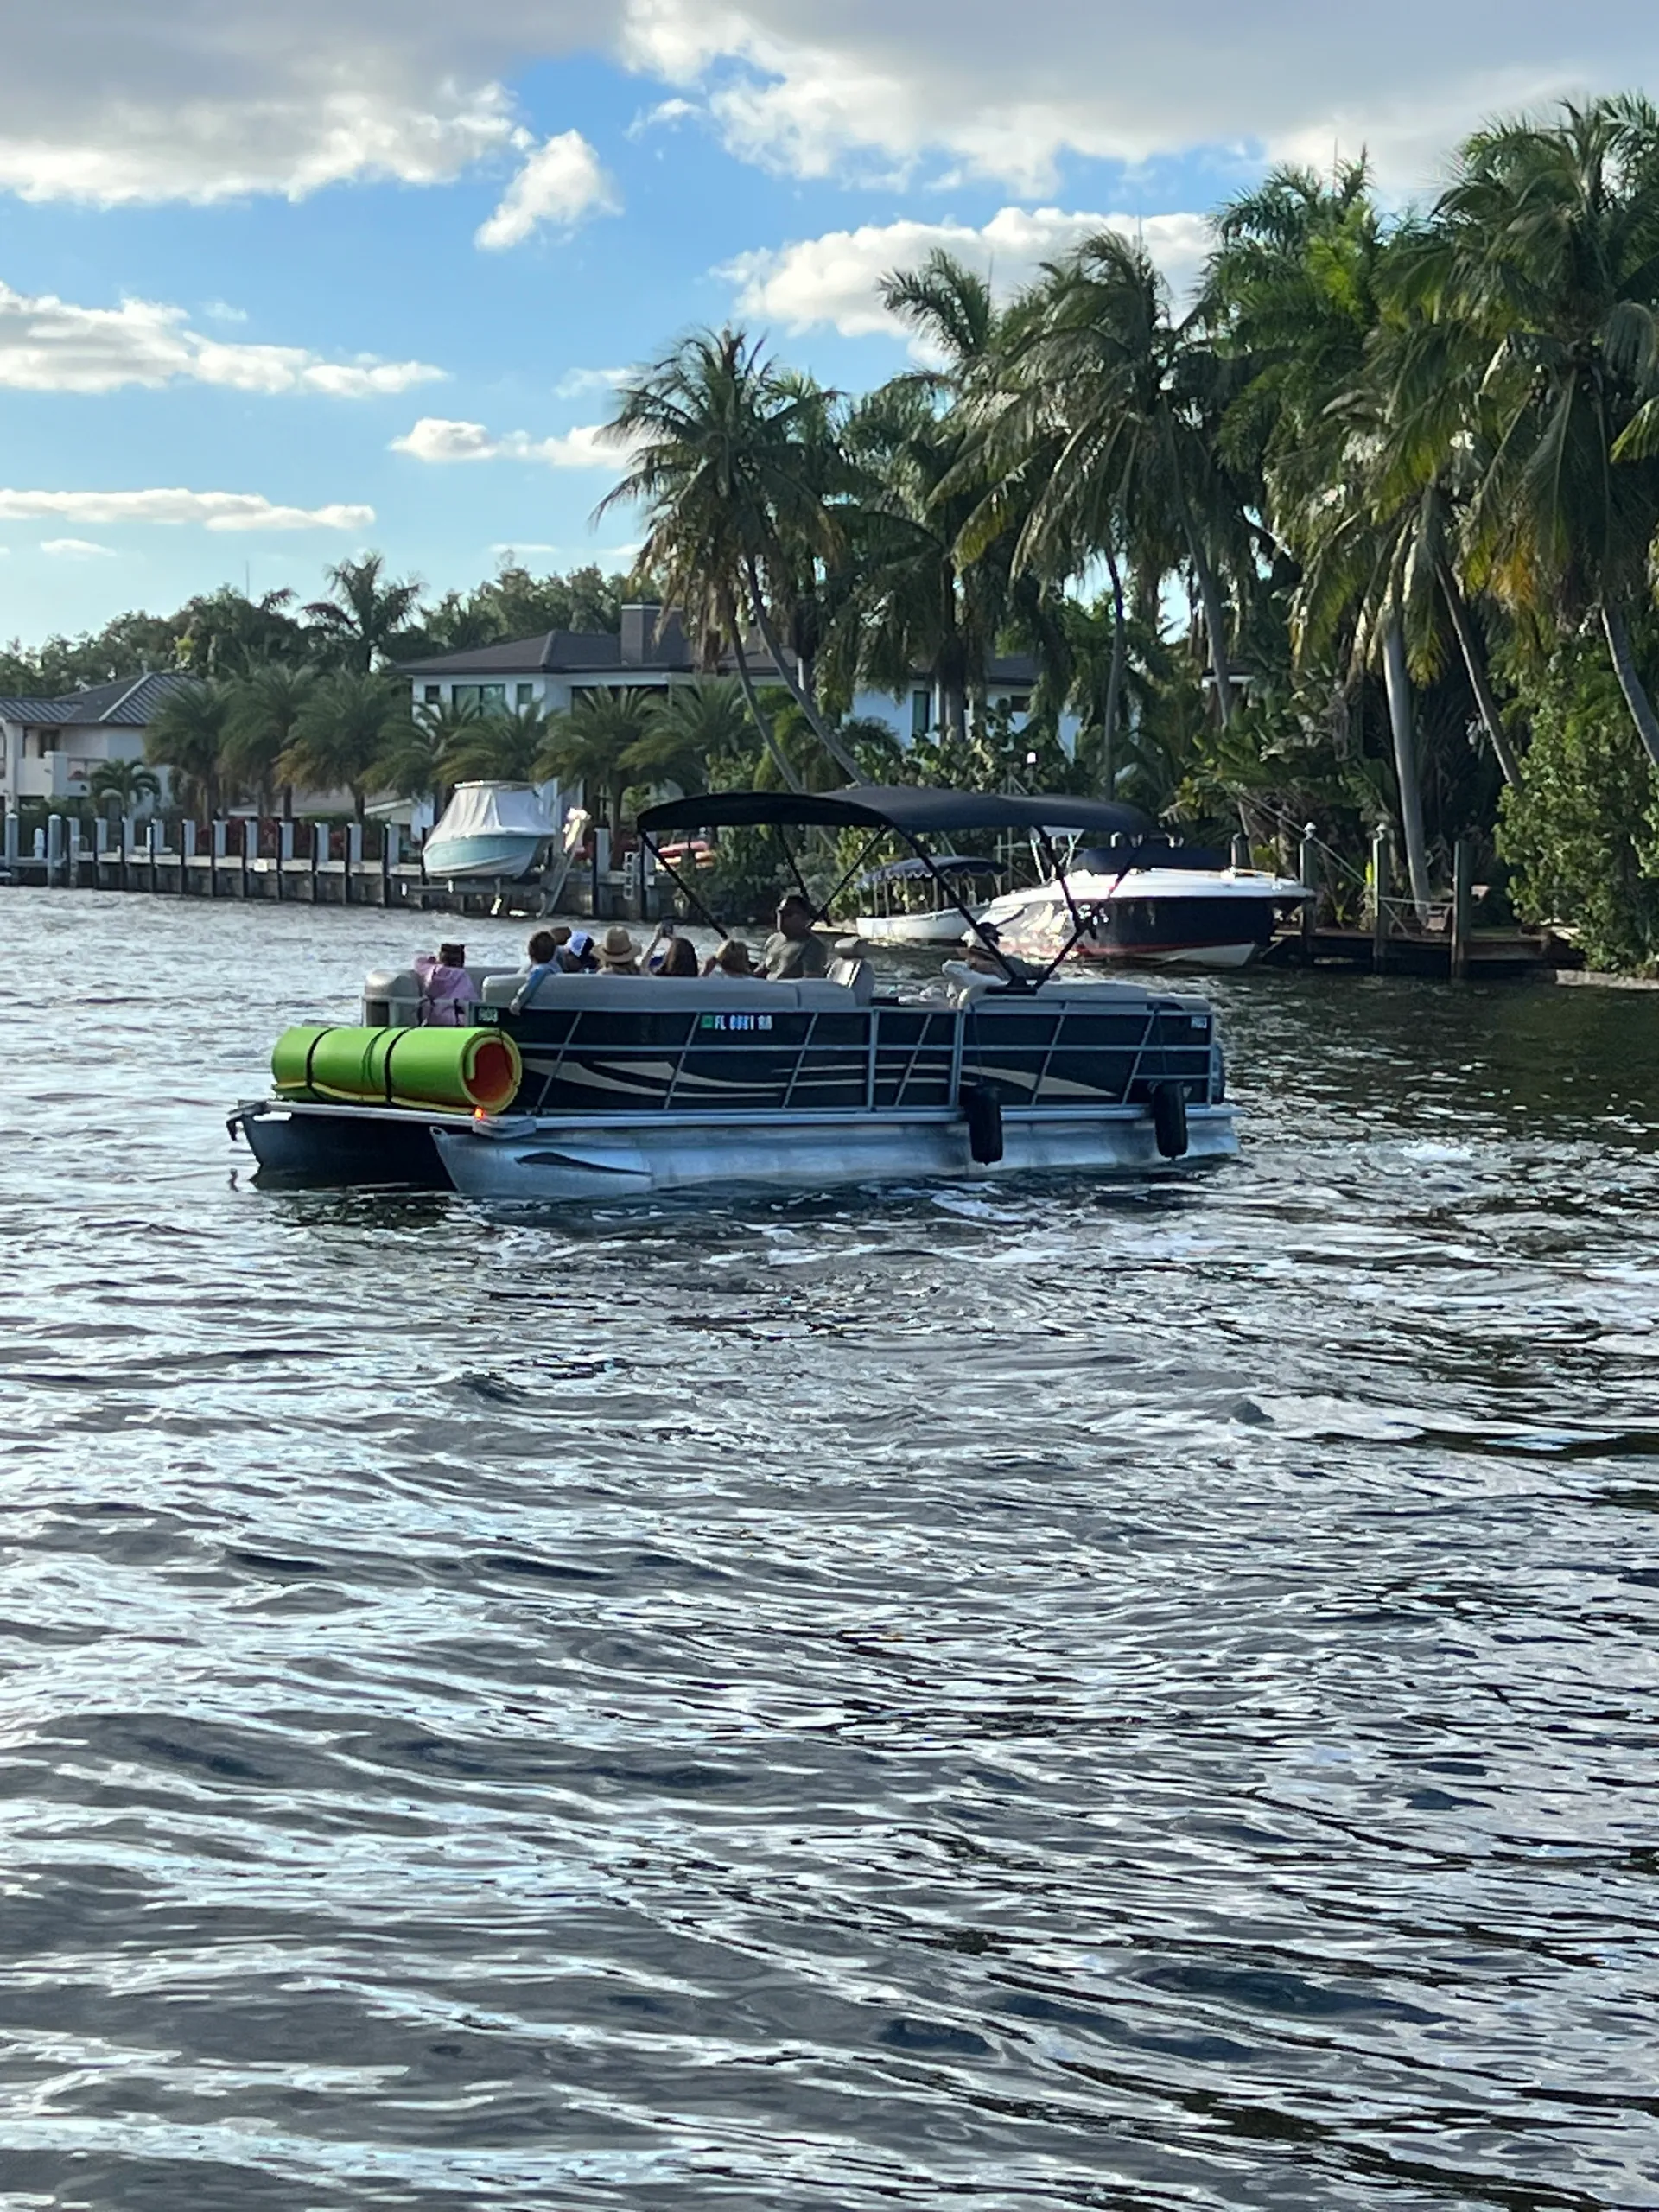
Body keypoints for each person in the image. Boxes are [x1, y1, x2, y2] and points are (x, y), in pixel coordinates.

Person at [760, 893, 828, 980]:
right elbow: (763, 970)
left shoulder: (813, 946)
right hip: (767, 988)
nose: (782, 917)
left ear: (804, 918)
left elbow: (810, 984)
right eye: (780, 912)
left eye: (789, 913)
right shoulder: (772, 940)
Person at [414, 942, 478, 1026]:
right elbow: (471, 999)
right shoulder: (461, 976)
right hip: (454, 1019)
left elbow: (419, 962)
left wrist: (433, 960)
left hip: (432, 1018)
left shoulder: (431, 971)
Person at [510, 929, 567, 1014]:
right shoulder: (556, 968)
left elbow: (530, 984)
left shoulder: (541, 969)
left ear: (531, 953)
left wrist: (518, 1001)